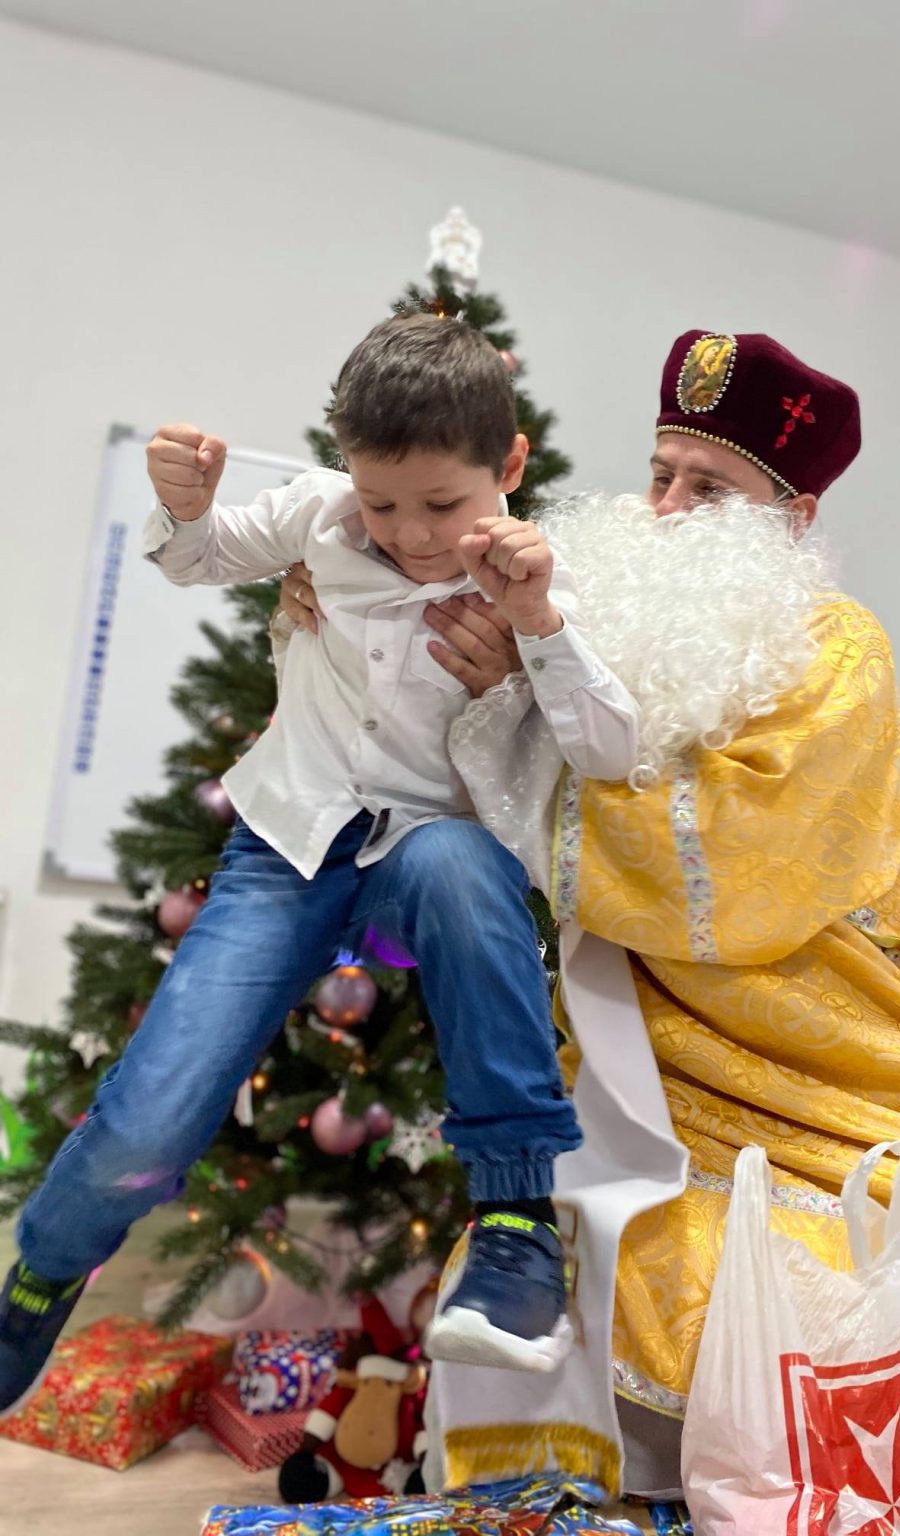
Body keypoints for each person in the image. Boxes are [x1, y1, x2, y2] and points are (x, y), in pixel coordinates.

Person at [336, 329, 900, 1529]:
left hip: (848, 1078)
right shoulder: (558, 620)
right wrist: (363, 621)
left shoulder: (836, 648)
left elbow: (733, 856)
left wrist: (524, 728)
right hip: (650, 1100)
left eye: (708, 489)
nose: (666, 508)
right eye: (659, 474)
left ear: (793, 518)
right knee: (600, 1273)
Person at [0, 314, 645, 1417]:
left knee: (459, 865)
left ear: (510, 465)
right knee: (153, 1107)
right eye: (381, 504)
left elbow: (611, 751)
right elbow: (195, 557)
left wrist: (538, 625)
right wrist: (188, 507)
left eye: (442, 504)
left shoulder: (540, 582)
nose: (411, 534)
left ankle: (515, 1225)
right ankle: (40, 1277)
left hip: (420, 851)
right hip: (287, 846)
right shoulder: (320, 516)